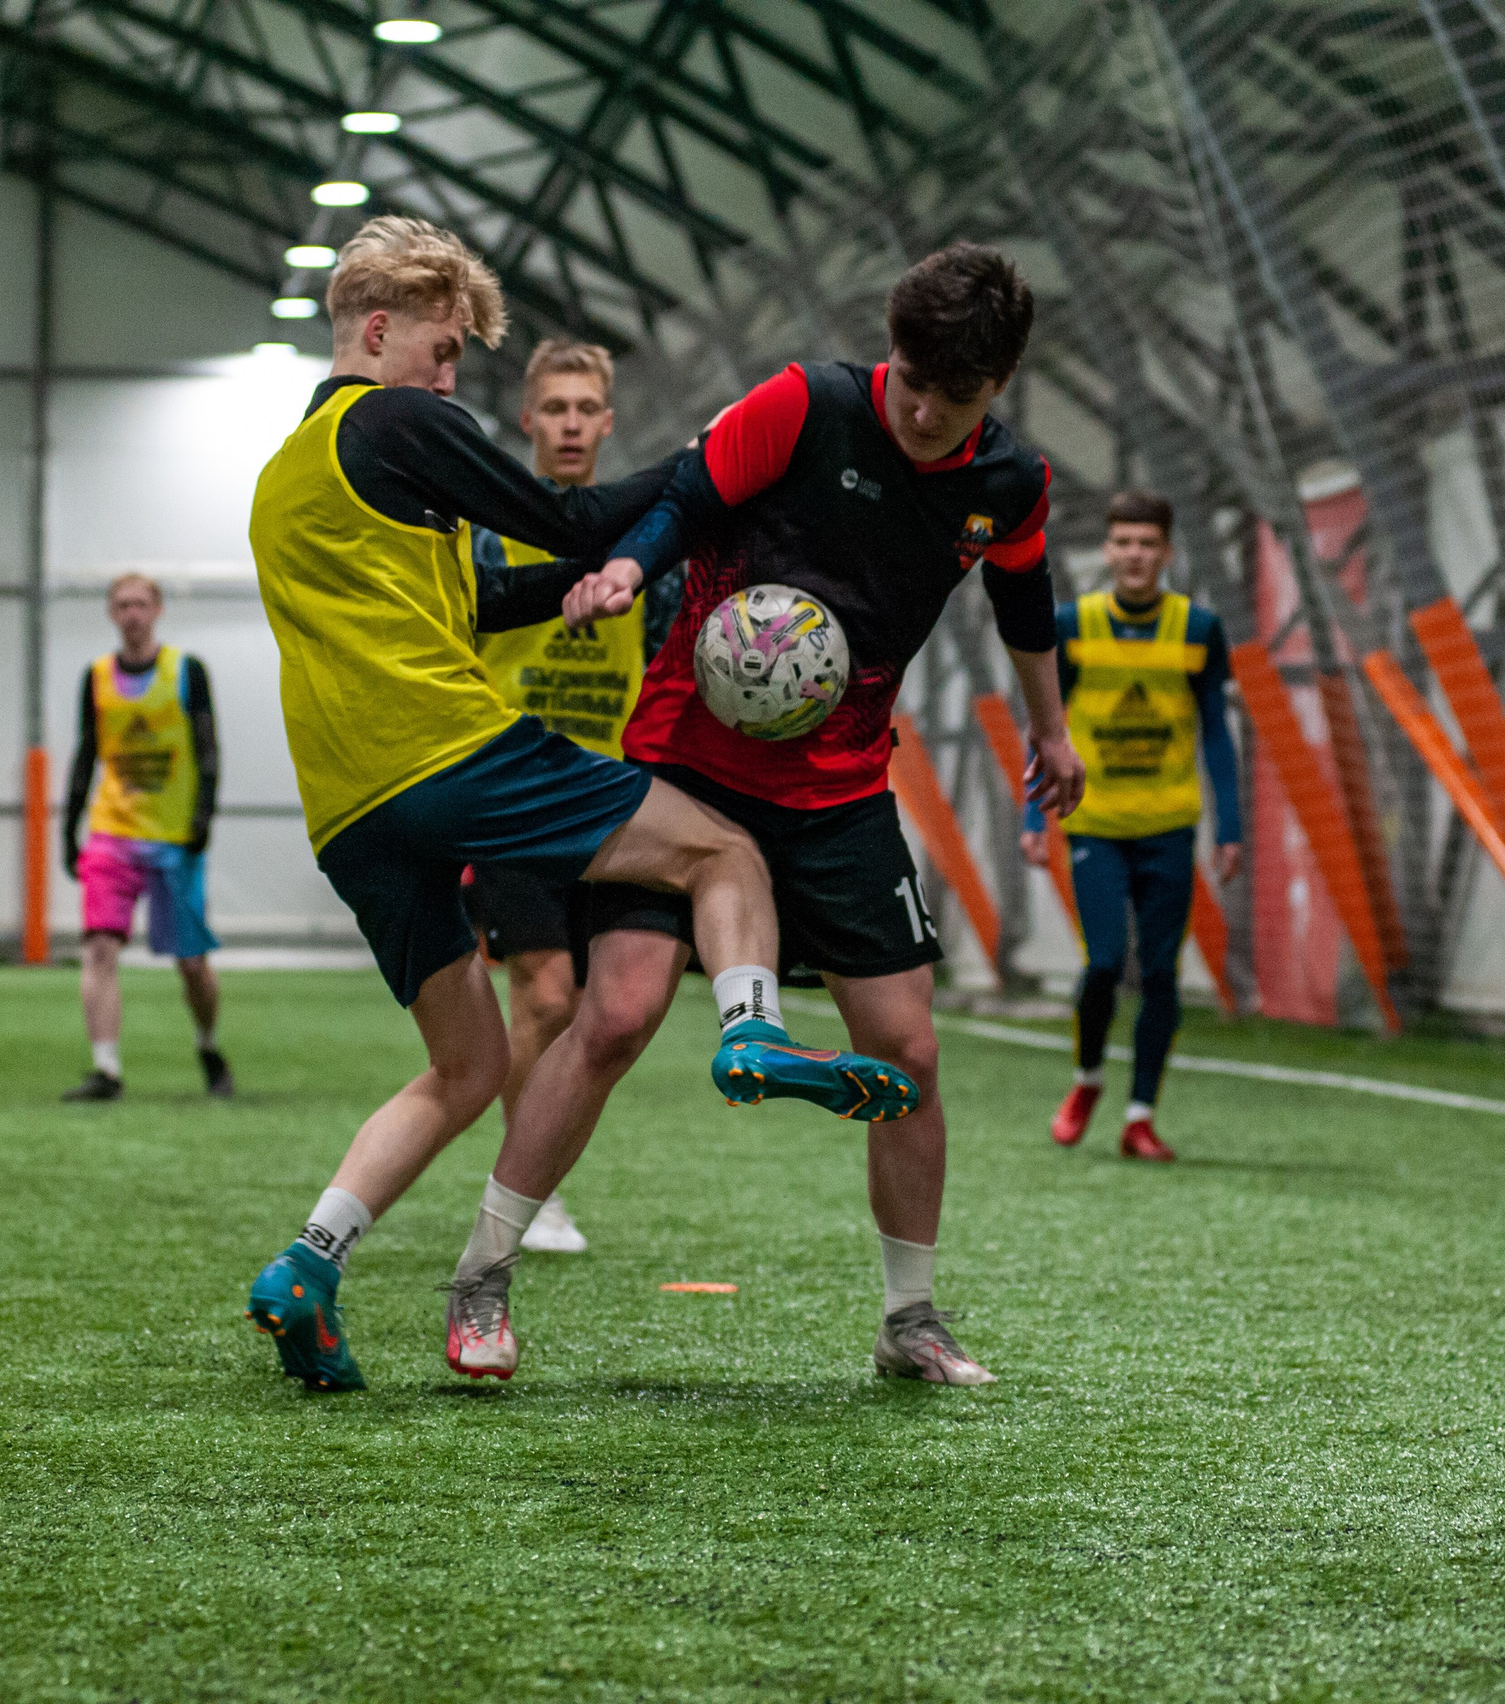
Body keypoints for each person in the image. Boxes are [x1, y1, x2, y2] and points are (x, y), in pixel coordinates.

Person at [240, 216, 916, 1394]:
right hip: (449, 755)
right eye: (444, 352)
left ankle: (310, 1262)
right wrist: (705, 466)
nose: (453, 382)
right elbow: (563, 515)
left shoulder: (294, 473)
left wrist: (592, 587)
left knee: (467, 1066)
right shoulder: (396, 417)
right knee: (721, 853)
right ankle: (751, 1027)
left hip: (348, 814)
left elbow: (491, 593)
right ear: (380, 329)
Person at [445, 240, 1086, 1388]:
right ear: (892, 353)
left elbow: (1024, 601)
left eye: (962, 397)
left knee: (909, 1050)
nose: (931, 414)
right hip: (685, 763)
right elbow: (682, 507)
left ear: (1000, 387)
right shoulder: (804, 405)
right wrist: (632, 572)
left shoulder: (1009, 485)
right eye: (918, 384)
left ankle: (911, 1320)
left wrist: (1050, 729)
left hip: (839, 792)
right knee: (615, 1016)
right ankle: (482, 1280)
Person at [462, 339, 654, 1256]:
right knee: (544, 995)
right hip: (514, 790)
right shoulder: (492, 533)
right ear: (529, 420)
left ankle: (536, 1178)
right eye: (556, 408)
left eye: (588, 409)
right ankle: (527, 1190)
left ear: (607, 423)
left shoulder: (642, 541)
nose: (572, 424)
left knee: (594, 1012)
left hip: (608, 798)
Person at [1021, 491, 1242, 1162]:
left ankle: (1141, 1116)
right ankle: (1088, 1078)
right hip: (1095, 824)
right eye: (1124, 543)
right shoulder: (1074, 626)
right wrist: (1034, 813)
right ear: (1108, 551)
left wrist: (1230, 827)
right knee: (1106, 962)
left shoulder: (1199, 630)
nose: (1136, 555)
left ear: (1167, 552)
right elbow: (1046, 727)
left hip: (1171, 826)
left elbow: (1217, 736)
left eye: (1148, 543)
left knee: (1164, 975)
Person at [59, 573, 229, 1102]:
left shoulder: (186, 671)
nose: (132, 613)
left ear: (156, 610)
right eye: (122, 605)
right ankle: (106, 1069)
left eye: (140, 604)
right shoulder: (96, 677)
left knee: (191, 963)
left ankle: (207, 1044)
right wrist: (69, 828)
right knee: (100, 948)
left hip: (174, 836)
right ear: (111, 614)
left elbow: (208, 749)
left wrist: (203, 818)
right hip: (112, 833)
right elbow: (86, 754)